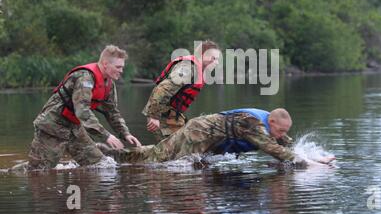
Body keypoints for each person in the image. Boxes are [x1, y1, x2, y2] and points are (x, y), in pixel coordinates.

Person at [26, 45, 142, 170]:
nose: (121, 71)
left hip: (74, 128)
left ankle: (84, 186)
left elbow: (112, 112)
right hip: (52, 125)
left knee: (100, 165)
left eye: (122, 67)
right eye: (118, 67)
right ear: (105, 64)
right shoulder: (85, 78)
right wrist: (106, 136)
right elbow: (82, 111)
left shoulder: (108, 84)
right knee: (38, 170)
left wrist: (125, 134)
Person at [99, 108, 335, 166]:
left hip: (210, 139)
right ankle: (104, 154)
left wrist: (316, 158)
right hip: (198, 133)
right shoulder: (253, 124)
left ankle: (106, 153)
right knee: (158, 160)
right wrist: (306, 164)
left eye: (285, 131)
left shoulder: (272, 125)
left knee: (157, 154)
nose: (283, 135)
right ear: (271, 122)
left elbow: (286, 144)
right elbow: (274, 149)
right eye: (281, 131)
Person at [143, 40, 220, 141]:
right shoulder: (188, 68)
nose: (216, 62)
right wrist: (154, 116)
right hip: (161, 114)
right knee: (172, 153)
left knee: (187, 150)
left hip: (173, 115)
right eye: (213, 58)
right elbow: (162, 89)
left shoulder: (198, 70)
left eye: (217, 59)